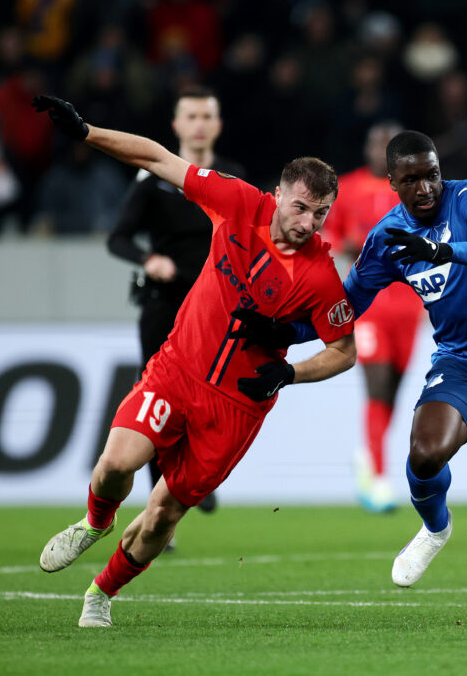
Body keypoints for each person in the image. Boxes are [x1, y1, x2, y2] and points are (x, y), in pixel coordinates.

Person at [31, 95, 356, 628]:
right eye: (301, 207)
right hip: (178, 370)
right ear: (277, 195)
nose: (309, 222)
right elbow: (158, 159)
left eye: (321, 213)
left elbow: (346, 350)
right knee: (116, 463)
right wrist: (86, 131)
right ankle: (95, 522)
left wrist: (291, 371)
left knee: (163, 515)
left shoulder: (320, 277)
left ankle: (101, 593)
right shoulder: (235, 202)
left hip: (237, 407)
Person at [239, 131, 467, 621]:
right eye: (411, 179)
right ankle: (435, 528)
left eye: (431, 174)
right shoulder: (388, 240)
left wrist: (442, 253)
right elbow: (345, 309)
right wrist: (281, 329)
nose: (427, 187)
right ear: (392, 183)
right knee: (426, 451)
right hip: (464, 363)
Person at [106, 86, 244, 521]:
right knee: (154, 401)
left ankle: (194, 478)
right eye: (192, 116)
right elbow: (118, 238)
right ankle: (155, 506)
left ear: (218, 126)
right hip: (166, 305)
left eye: (207, 116)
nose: (200, 124)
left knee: (214, 399)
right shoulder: (154, 181)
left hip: (216, 312)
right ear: (177, 126)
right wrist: (149, 259)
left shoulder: (233, 179)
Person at [322, 121, 424, 513]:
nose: (382, 151)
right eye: (377, 144)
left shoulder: (416, 190)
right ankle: (380, 477)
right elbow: (326, 237)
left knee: (393, 390)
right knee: (377, 385)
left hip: (409, 304)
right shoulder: (345, 188)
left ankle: (369, 455)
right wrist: (349, 245)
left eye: (390, 146)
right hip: (369, 304)